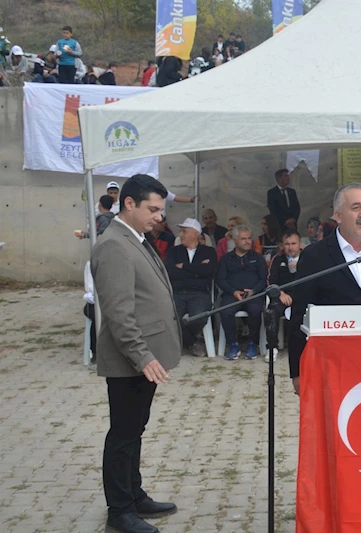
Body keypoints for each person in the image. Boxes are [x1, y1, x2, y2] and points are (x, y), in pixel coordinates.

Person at [90, 174, 179, 533]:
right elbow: (119, 313)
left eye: (161, 209)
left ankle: (134, 493)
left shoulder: (135, 237)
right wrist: (142, 357)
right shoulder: (113, 245)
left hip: (144, 358)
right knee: (124, 433)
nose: (159, 216)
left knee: (134, 428)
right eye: (152, 209)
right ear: (129, 204)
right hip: (131, 360)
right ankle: (120, 510)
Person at [289, 182, 361, 394]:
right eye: (356, 207)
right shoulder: (315, 255)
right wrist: (297, 371)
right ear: (338, 215)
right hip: (335, 362)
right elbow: (300, 314)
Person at [165, 218, 217, 357]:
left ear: (195, 234)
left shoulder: (209, 251)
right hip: (177, 293)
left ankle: (185, 339)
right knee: (169, 317)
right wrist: (197, 270)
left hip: (199, 294)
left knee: (199, 317)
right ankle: (192, 341)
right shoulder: (173, 251)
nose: (180, 234)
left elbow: (209, 271)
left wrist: (184, 266)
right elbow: (170, 272)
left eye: (184, 231)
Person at [217, 225, 268, 360]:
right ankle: (233, 344)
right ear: (235, 240)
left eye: (249, 238)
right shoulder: (226, 259)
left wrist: (254, 291)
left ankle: (252, 344)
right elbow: (220, 280)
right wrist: (233, 292)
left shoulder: (258, 258)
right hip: (232, 295)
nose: (247, 241)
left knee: (255, 310)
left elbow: (264, 279)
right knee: (225, 310)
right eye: (243, 239)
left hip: (254, 295)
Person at [268, 230, 302, 322]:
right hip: (284, 295)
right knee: (272, 310)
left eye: (293, 243)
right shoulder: (278, 259)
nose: (290, 247)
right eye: (287, 244)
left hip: (303, 296)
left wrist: (300, 267)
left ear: (300, 244)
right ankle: (273, 337)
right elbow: (271, 281)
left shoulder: (307, 258)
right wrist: (280, 293)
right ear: (282, 245)